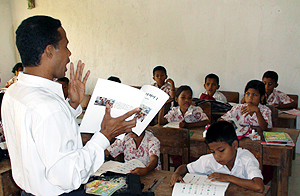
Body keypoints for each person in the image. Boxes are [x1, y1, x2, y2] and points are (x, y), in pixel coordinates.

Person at [1, 15, 139, 196]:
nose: (69, 54)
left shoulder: (13, 92)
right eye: (65, 46)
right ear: (49, 51)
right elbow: (68, 175)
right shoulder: (48, 107)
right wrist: (105, 136)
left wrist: (71, 106)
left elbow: (43, 135)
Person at [169, 121, 264, 193]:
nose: (217, 156)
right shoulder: (209, 160)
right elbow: (185, 167)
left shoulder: (247, 159)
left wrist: (229, 178)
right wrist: (177, 173)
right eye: (213, 151)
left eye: (221, 150)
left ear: (234, 145)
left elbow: (259, 186)